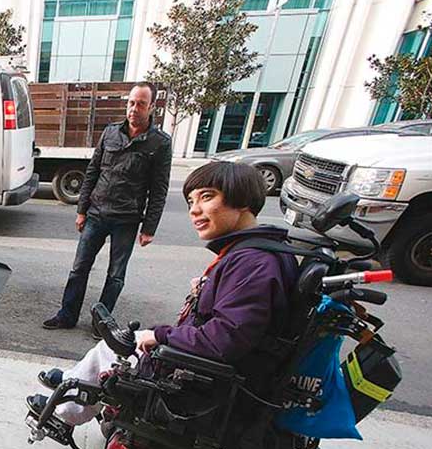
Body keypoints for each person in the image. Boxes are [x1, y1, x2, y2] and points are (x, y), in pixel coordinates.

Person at [32, 161, 298, 427]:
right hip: (215, 365)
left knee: (116, 347)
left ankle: (64, 412)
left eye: (207, 197)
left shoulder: (253, 264)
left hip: (206, 379)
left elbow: (224, 339)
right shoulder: (255, 252)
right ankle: (73, 381)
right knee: (121, 342)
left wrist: (160, 335)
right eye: (191, 201)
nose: (195, 210)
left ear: (242, 199)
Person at [42, 82, 172, 332]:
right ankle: (66, 316)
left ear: (151, 107)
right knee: (79, 269)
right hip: (96, 214)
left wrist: (149, 228)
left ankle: (100, 324)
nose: (134, 108)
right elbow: (92, 172)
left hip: (127, 219)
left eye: (141, 104)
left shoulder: (160, 143)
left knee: (115, 276)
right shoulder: (111, 133)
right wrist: (81, 210)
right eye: (131, 102)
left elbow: (159, 190)